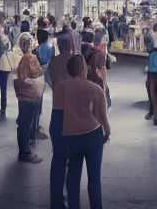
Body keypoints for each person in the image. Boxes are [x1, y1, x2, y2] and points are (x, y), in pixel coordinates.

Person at [54, 55, 111, 209]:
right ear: (84, 69)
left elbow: (58, 114)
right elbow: (103, 116)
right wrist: (107, 133)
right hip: (93, 135)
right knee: (94, 178)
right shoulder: (95, 89)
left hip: (71, 137)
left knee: (73, 176)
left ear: (70, 69)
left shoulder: (61, 87)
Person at [48, 47, 74, 209]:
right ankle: (71, 198)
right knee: (71, 161)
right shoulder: (80, 85)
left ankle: (56, 199)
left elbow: (48, 80)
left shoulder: (54, 64)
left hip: (57, 116)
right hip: (71, 118)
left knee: (58, 160)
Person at [14, 35, 44, 163]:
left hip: (23, 96)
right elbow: (36, 72)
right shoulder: (31, 58)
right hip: (30, 96)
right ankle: (25, 152)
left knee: (23, 124)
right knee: (26, 124)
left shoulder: (23, 59)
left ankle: (24, 150)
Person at [0, 32, 31, 119]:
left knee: (3, 88)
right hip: (15, 70)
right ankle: (22, 112)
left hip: (4, 65)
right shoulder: (27, 55)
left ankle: (3, 107)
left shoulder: (12, 51)